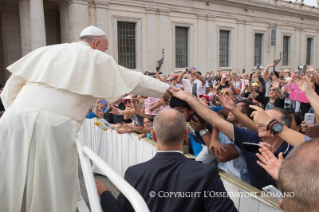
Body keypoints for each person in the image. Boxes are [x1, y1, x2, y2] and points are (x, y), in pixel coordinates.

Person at [0, 26, 178, 212]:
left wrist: (22, 116)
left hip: (12, 120)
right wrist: (166, 89)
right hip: (54, 127)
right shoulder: (96, 57)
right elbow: (135, 80)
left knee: (10, 179)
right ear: (97, 43)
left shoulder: (46, 51)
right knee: (50, 188)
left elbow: (9, 91)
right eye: (105, 49)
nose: (105, 53)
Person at [96, 109, 237, 212]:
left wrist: (105, 193)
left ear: (154, 135)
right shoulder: (206, 174)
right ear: (185, 135)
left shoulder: (134, 173)